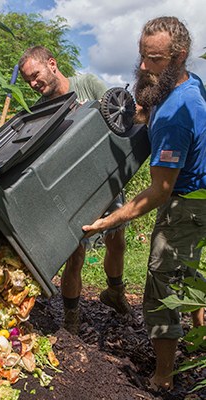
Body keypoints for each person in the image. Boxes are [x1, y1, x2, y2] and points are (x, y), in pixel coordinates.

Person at [83, 16, 206, 391]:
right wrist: (142, 114)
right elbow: (158, 108)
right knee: (188, 272)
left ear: (178, 56)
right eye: (141, 56)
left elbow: (159, 191)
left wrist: (107, 222)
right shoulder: (188, 85)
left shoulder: (174, 116)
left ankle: (164, 377)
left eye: (153, 60)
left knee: (160, 285)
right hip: (196, 195)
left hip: (187, 203)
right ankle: (199, 343)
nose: (141, 66)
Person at [18, 46, 131, 335]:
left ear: (52, 65)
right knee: (75, 255)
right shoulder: (42, 109)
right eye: (28, 80)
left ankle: (115, 292)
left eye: (36, 75)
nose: (33, 84)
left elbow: (119, 118)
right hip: (70, 188)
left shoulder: (88, 85)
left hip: (105, 178)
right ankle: (71, 318)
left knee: (117, 242)